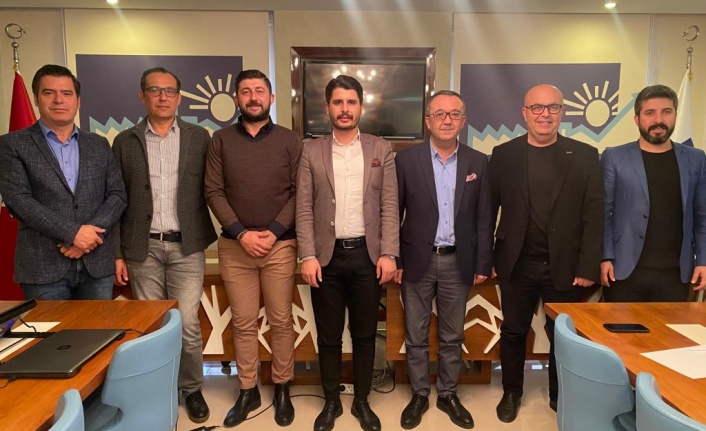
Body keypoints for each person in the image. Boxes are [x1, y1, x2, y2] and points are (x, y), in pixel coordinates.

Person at [489, 84, 603, 422]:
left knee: (562, 337)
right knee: (513, 331)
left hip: (565, 265)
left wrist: (588, 266)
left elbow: (594, 215)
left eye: (552, 107)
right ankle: (512, 392)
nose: (545, 114)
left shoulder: (584, 155)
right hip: (516, 264)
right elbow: (487, 211)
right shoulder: (504, 154)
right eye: (537, 108)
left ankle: (558, 394)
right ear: (524, 113)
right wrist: (487, 259)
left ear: (562, 112)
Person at [112, 67, 217, 423]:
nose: (162, 97)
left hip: (187, 246)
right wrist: (117, 253)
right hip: (142, 249)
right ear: (142, 96)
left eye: (169, 91)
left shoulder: (199, 137)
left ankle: (192, 388)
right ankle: (159, 389)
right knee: (152, 326)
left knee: (186, 323)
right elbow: (115, 199)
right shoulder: (125, 141)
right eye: (155, 90)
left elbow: (214, 187)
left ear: (179, 97)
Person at [296, 74, 399, 431]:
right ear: (328, 107)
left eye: (351, 102)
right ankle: (330, 402)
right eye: (338, 102)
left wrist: (389, 253)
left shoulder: (380, 149)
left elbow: (389, 205)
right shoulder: (311, 151)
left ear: (360, 107)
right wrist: (307, 255)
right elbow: (304, 207)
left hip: (368, 258)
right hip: (325, 259)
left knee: (365, 335)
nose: (344, 109)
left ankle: (362, 401)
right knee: (328, 336)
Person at [205, 69, 301, 428]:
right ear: (237, 99)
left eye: (260, 91)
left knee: (281, 320)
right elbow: (213, 191)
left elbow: (299, 191)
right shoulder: (220, 140)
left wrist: (273, 232)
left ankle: (282, 387)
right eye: (246, 91)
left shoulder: (290, 140)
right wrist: (242, 233)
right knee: (244, 322)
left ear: (271, 98)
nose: (253, 97)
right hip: (235, 247)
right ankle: (248, 389)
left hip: (280, 246)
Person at [394, 90, 493, 430]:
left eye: (454, 114)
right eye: (440, 114)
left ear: (463, 121)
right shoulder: (406, 160)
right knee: (416, 335)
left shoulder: (478, 162)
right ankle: (420, 394)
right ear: (428, 121)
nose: (447, 120)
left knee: (453, 337)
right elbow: (394, 213)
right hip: (416, 260)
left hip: (458, 261)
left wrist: (483, 262)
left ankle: (448, 393)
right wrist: (395, 258)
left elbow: (484, 217)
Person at [0, 64, 126, 300]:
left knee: (98, 326)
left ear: (78, 101)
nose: (59, 100)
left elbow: (117, 195)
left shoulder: (98, 144)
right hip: (43, 266)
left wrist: (88, 237)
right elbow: (18, 201)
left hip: (96, 263)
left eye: (66, 93)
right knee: (49, 327)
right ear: (36, 99)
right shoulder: (12, 145)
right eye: (49, 93)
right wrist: (73, 233)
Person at [601, 84, 706, 301]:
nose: (659, 120)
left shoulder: (696, 158)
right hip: (624, 270)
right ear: (637, 119)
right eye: (650, 113)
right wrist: (605, 257)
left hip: (676, 273)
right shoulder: (614, 157)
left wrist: (703, 260)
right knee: (618, 326)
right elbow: (603, 213)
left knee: (670, 326)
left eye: (666, 112)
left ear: (675, 114)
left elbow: (702, 215)